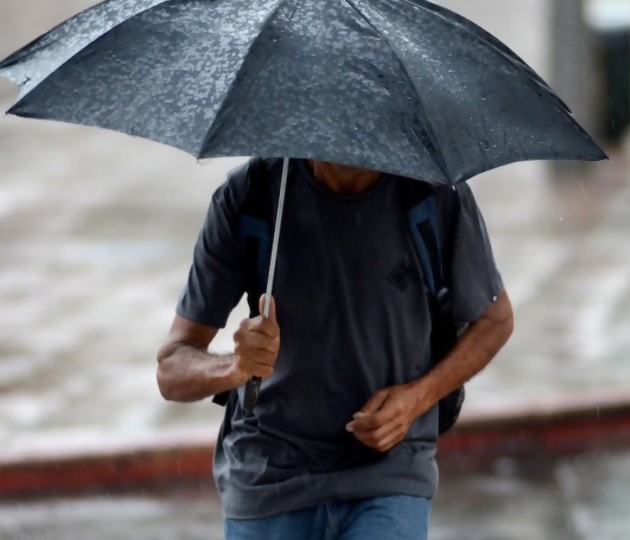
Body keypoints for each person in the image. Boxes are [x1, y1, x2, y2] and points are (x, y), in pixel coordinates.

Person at [156, 158, 513, 539]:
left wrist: (416, 399)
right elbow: (171, 369)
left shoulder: (433, 194)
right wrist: (235, 367)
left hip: (388, 476)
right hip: (266, 479)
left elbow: (494, 321)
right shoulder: (251, 194)